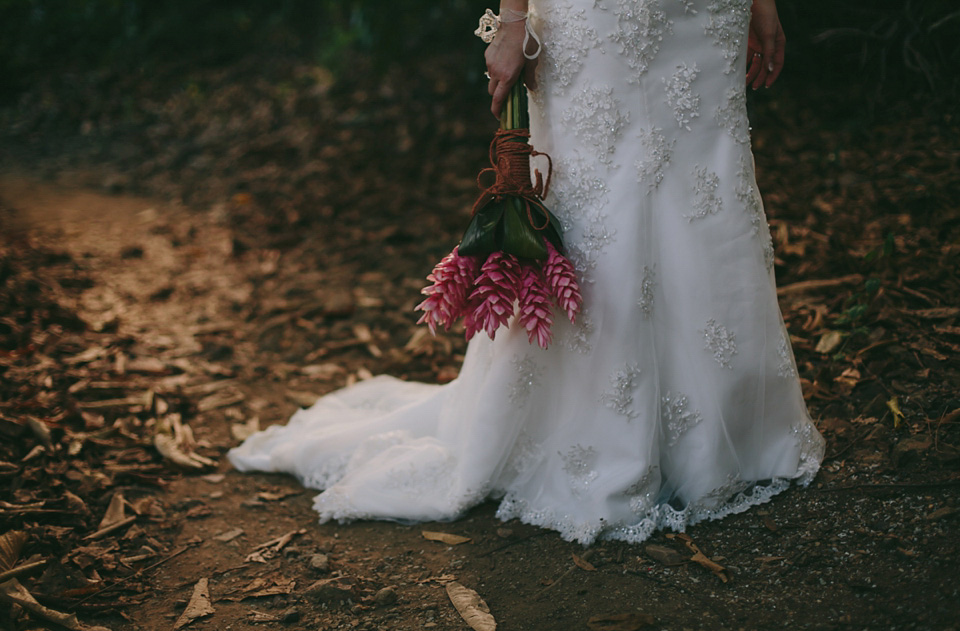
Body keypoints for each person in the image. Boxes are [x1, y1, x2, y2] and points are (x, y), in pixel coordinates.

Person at [229, 0, 824, 545]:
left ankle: (732, 437)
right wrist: (512, 22)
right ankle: (601, 440)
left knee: (709, 188)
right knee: (603, 193)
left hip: (703, 16)